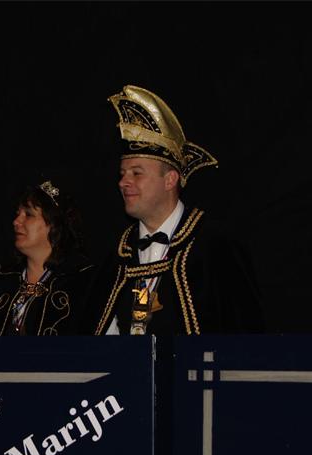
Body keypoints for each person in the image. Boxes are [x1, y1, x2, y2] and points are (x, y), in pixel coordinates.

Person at [83, 85, 264, 336]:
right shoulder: (116, 255)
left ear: (170, 180)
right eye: (122, 174)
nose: (123, 182)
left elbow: (246, 335)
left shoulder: (216, 248)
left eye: (136, 173)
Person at [0, 180, 93, 336]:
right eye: (18, 214)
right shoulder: (4, 282)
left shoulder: (81, 284)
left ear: (55, 224)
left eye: (29, 215)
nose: (16, 222)